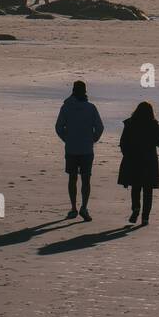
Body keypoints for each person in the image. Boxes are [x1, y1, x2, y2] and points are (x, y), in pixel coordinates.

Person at [55, 80, 104, 222]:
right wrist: (93, 139)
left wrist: (67, 138)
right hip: (86, 149)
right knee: (86, 179)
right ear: (85, 91)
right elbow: (99, 128)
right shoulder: (91, 108)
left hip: (71, 148)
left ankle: (73, 207)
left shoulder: (66, 107)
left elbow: (59, 127)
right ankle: (84, 207)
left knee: (72, 178)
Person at [117, 100, 159, 226]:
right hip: (149, 161)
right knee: (148, 190)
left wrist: (127, 155)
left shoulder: (130, 123)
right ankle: (145, 217)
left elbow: (123, 142)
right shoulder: (154, 125)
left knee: (136, 187)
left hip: (134, 159)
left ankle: (136, 208)